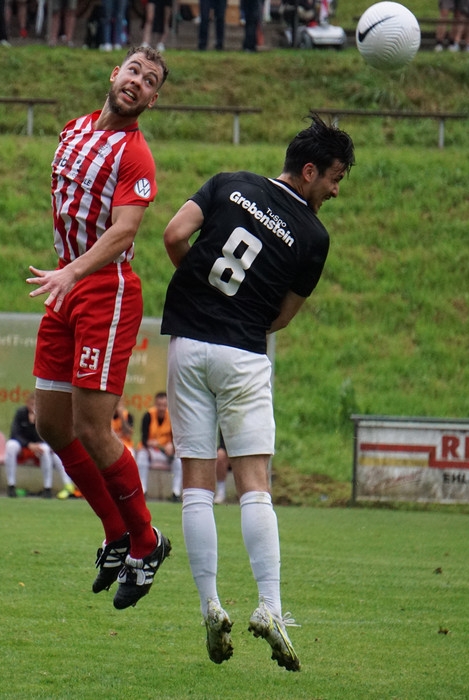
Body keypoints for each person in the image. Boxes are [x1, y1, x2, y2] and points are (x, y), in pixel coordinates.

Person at [161, 114, 355, 668]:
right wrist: (241, 316)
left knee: (196, 484)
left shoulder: (228, 183)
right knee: (254, 484)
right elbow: (283, 317)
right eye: (335, 179)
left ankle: (210, 605)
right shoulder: (313, 237)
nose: (335, 191)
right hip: (242, 353)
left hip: (186, 345)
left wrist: (200, 290)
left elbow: (173, 235)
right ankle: (270, 606)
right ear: (310, 171)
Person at [26, 46, 171, 611]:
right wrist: (66, 273)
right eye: (134, 70)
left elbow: (124, 230)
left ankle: (147, 540)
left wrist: (73, 271)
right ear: (115, 74)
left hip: (104, 289)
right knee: (51, 423)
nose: (138, 81)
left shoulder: (136, 156)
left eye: (150, 80)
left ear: (152, 100)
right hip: (67, 284)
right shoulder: (73, 130)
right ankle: (116, 532)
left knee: (91, 426)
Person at [4, 393, 74, 498]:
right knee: (10, 446)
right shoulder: (21, 413)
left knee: (44, 449)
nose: (33, 407)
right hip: (23, 445)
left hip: (38, 445)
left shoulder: (44, 416)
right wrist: (28, 444)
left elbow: (45, 436)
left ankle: (47, 487)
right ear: (27, 404)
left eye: (36, 405)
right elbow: (15, 434)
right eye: (31, 404)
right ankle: (11, 485)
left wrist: (35, 424)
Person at [136, 391, 183, 501]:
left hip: (166, 452)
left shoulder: (172, 417)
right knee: (141, 456)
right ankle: (142, 490)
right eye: (159, 405)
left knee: (178, 461)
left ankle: (176, 493)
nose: (162, 408)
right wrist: (150, 443)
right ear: (155, 404)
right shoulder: (148, 415)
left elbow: (177, 439)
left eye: (164, 405)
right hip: (151, 451)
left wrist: (172, 446)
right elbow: (144, 439)